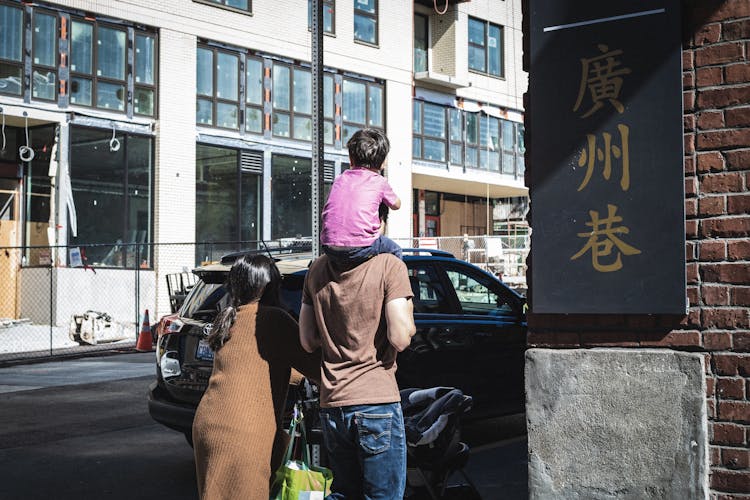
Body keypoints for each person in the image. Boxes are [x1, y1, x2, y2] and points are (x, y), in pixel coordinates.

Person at [192, 254, 320, 500]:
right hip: (242, 429)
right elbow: (316, 365)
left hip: (208, 423)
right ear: (270, 285)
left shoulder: (227, 317)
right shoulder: (274, 319)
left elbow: (255, 363)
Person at [299, 238, 417, 497]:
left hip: (332, 402)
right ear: (378, 222)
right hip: (376, 401)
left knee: (344, 492)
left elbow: (307, 341)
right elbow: (400, 338)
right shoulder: (389, 265)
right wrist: (408, 314)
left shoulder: (317, 268)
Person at [321, 128, 403, 264]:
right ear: (383, 162)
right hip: (360, 247)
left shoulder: (340, 179)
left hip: (329, 245)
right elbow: (397, 205)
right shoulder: (379, 181)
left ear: (351, 159)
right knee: (396, 251)